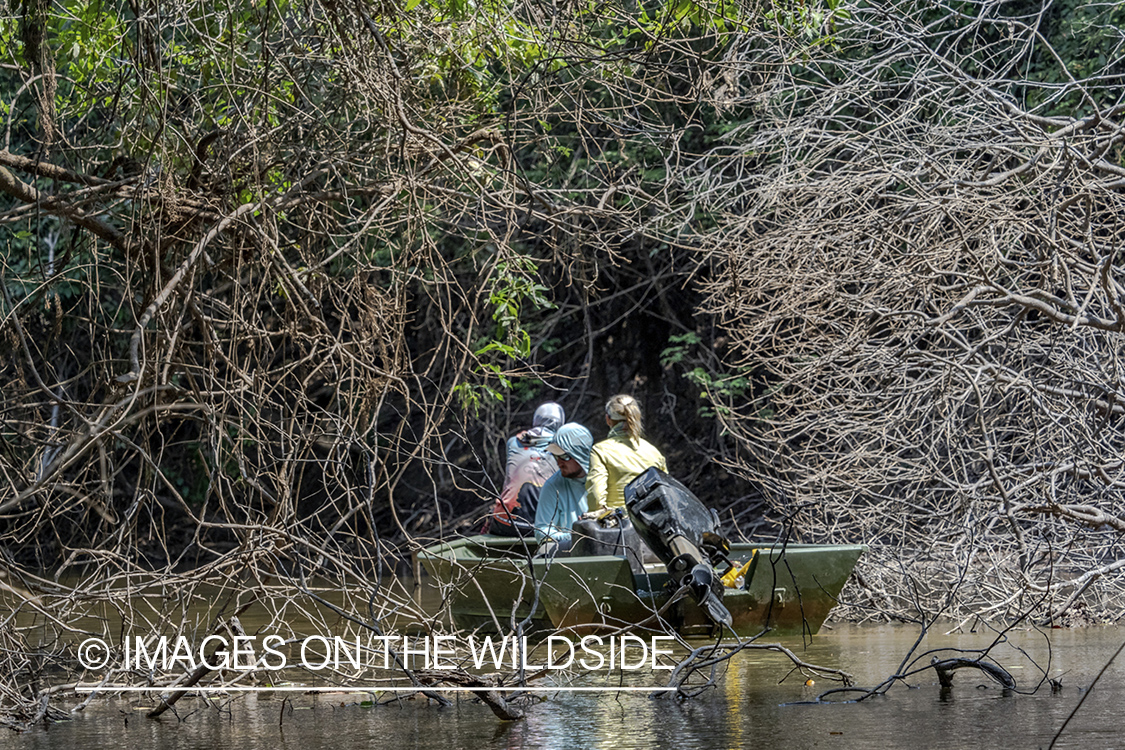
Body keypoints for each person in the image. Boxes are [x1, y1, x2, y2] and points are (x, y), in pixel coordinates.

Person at [486, 401, 565, 536]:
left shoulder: (513, 442)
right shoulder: (564, 448)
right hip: (541, 527)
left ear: (536, 420)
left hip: (505, 521)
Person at [586, 394, 667, 511]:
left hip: (617, 525)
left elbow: (597, 499)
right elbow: (666, 492)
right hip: (650, 524)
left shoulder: (600, 451)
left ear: (608, 420)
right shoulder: (654, 452)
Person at [535, 423, 593, 551]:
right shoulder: (552, 486)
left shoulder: (602, 481)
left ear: (580, 454)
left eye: (564, 456)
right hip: (569, 552)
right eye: (556, 456)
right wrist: (573, 536)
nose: (559, 462)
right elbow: (542, 531)